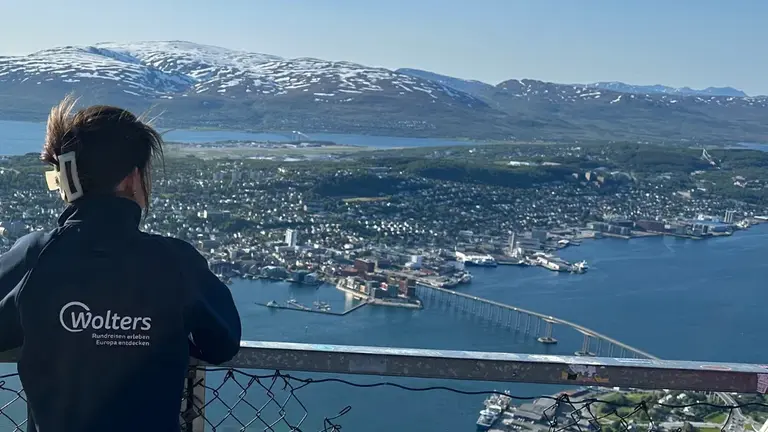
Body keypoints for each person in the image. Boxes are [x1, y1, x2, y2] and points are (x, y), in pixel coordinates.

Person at [0, 96, 242, 432]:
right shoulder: (175, 263)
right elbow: (223, 343)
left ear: (68, 183)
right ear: (132, 179)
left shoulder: (35, 256)